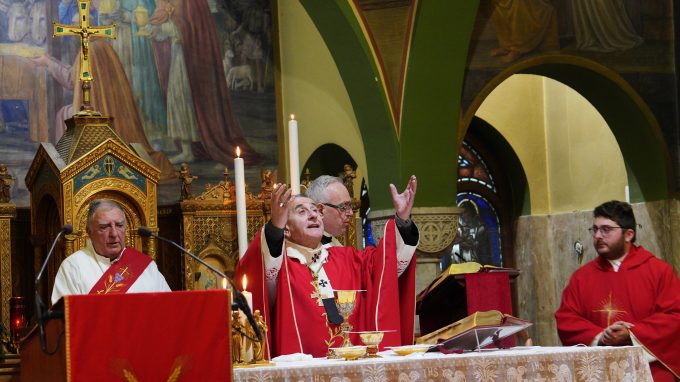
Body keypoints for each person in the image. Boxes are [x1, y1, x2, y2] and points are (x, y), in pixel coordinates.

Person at [235, 176, 419, 358]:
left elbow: (389, 268)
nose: (314, 215)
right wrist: (275, 227)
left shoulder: (349, 258)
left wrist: (403, 221)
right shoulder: (279, 267)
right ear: (286, 228)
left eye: (315, 210)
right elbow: (259, 276)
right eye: (302, 212)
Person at [555, 201, 680, 381]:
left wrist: (632, 334)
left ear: (628, 234)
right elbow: (567, 318)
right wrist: (601, 336)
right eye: (595, 229)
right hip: (598, 371)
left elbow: (674, 316)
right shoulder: (582, 277)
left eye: (606, 229)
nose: (598, 236)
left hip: (648, 369)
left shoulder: (659, 271)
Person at [51, 199, 171, 304]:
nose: (114, 234)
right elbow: (65, 321)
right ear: (89, 231)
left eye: (119, 225)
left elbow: (168, 307)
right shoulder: (73, 267)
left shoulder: (146, 266)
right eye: (104, 227)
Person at [305, 175, 353, 246]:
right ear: (320, 210)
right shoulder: (307, 249)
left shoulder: (335, 243)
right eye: (343, 207)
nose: (351, 213)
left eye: (350, 206)